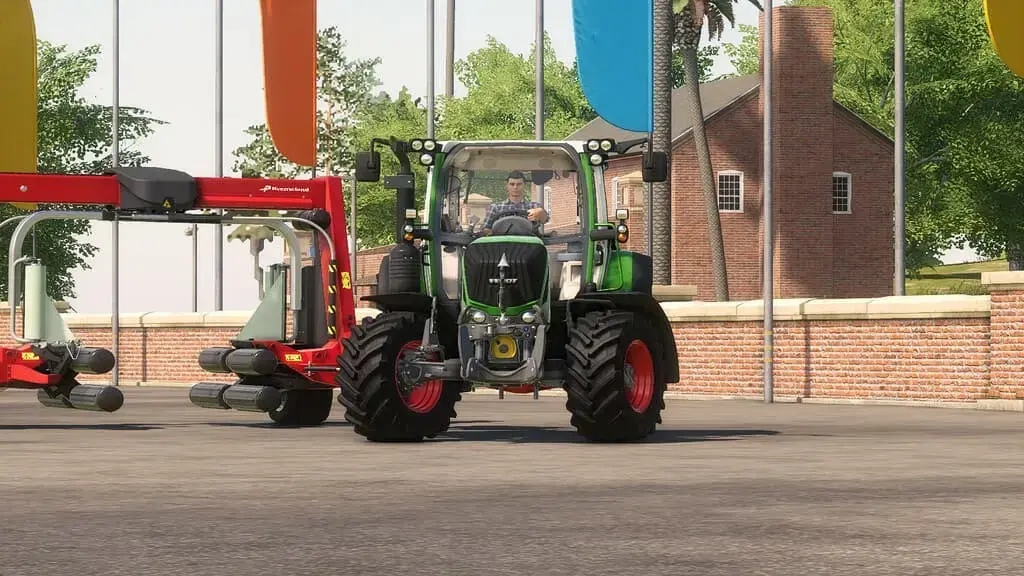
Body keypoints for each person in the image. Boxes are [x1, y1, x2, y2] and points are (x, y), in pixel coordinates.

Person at [480, 170, 549, 234]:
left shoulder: (534, 206)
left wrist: (541, 212)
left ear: (524, 185)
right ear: (507, 185)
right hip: (501, 241)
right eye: (512, 184)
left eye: (519, 184)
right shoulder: (495, 207)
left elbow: (545, 219)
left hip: (529, 241)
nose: (515, 187)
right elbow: (485, 229)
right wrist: (488, 232)